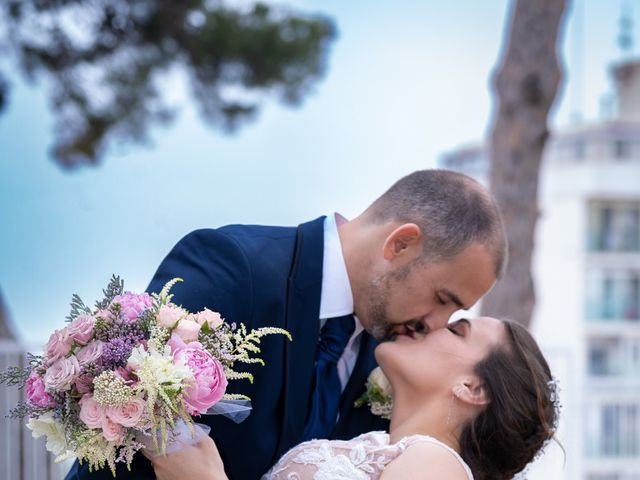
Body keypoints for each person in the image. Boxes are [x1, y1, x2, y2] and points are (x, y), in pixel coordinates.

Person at [65, 169, 507, 480]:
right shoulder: (236, 266)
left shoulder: (386, 359)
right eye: (442, 300)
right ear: (402, 244)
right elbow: (122, 394)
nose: (435, 325)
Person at [147, 317, 558, 480]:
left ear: (473, 388)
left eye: (456, 330)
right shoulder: (386, 450)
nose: (428, 324)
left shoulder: (435, 465)